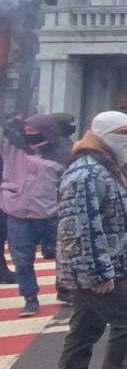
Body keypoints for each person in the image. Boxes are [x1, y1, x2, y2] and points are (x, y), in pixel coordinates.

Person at [46, 111, 127, 369]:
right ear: (102, 135)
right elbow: (79, 230)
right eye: (123, 133)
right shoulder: (89, 174)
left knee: (84, 329)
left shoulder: (104, 167)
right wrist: (99, 273)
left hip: (98, 268)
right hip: (99, 271)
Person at [1, 113, 74, 315]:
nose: (28, 133)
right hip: (18, 215)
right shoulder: (13, 148)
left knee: (63, 257)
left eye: (33, 130)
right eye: (26, 130)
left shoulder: (64, 155)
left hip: (51, 216)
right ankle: (30, 298)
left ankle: (64, 290)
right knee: (22, 261)